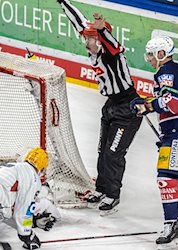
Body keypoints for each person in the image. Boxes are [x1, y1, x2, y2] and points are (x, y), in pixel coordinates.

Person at [57, 0, 143, 215]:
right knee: (102, 150)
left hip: (127, 108)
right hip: (111, 106)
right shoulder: (94, 48)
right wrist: (62, 1)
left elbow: (113, 44)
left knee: (114, 153)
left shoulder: (113, 55)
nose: (85, 40)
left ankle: (113, 194)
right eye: (86, 37)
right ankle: (102, 188)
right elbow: (77, 22)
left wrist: (102, 28)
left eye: (90, 38)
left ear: (101, 39)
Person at [130, 36, 178, 249]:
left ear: (161, 53)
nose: (149, 59)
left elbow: (172, 103)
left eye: (151, 54)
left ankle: (171, 225)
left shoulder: (167, 71)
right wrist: (147, 102)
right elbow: (168, 100)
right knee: (175, 175)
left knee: (166, 177)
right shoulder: (173, 70)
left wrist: (147, 106)